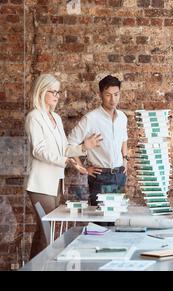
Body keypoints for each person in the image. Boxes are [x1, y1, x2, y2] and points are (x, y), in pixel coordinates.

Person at [25, 74, 102, 258]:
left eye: (58, 92)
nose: (57, 95)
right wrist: (65, 161)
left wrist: (84, 148)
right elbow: (39, 151)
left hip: (55, 182)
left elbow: (64, 148)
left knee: (46, 230)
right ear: (41, 91)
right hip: (40, 184)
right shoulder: (34, 117)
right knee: (46, 230)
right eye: (52, 91)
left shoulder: (56, 118)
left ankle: (36, 267)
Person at [68, 75, 128, 206]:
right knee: (100, 222)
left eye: (116, 94)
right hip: (100, 177)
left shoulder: (122, 117)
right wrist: (82, 169)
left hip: (119, 175)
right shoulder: (90, 119)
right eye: (108, 95)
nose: (113, 99)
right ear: (100, 94)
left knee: (116, 220)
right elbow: (70, 143)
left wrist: (125, 159)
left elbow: (124, 138)